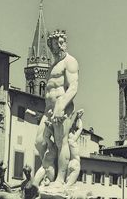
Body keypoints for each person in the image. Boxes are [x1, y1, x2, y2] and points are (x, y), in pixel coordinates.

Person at [35, 29, 79, 185]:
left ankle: (60, 179)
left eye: (61, 42)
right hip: (48, 110)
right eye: (55, 43)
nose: (59, 46)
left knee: (62, 142)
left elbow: (73, 87)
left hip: (63, 108)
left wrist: (61, 105)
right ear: (51, 45)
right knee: (39, 142)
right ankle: (50, 171)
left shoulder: (70, 61)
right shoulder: (52, 65)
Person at [65, 109, 84, 186]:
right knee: (68, 186)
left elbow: (73, 127)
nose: (74, 132)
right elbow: (80, 128)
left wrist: (76, 117)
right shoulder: (73, 140)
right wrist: (79, 118)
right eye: (73, 131)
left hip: (69, 163)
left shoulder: (66, 141)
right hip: (75, 164)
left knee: (67, 182)